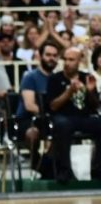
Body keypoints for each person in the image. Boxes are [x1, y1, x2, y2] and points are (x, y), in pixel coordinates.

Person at [46, 47, 101, 184]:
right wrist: (69, 91)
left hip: (83, 117)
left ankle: (97, 169)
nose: (67, 63)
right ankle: (65, 170)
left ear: (79, 61)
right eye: (65, 59)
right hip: (63, 116)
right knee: (62, 125)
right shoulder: (54, 79)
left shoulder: (87, 77)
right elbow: (53, 106)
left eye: (71, 60)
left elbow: (95, 106)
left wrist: (90, 91)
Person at [15, 41, 59, 173]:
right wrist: (48, 114)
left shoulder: (57, 78)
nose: (51, 58)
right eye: (48, 55)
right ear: (40, 56)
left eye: (55, 56)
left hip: (51, 119)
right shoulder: (30, 77)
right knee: (32, 133)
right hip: (28, 120)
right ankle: (36, 162)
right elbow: (29, 105)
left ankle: (51, 164)